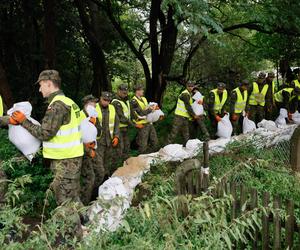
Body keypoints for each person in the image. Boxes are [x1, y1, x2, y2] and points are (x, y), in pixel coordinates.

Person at [10, 70, 84, 236]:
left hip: (65, 162)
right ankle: (87, 225)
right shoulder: (70, 102)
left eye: (41, 85)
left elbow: (45, 133)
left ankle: (76, 238)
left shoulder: (57, 105)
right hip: (73, 159)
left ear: (49, 83)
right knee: (73, 197)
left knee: (65, 201)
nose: (39, 89)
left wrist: (24, 121)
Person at [79, 95, 105, 205]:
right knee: (89, 178)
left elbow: (98, 132)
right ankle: (83, 205)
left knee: (100, 172)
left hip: (93, 149)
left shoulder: (93, 115)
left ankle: (93, 198)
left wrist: (94, 123)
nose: (95, 105)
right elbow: (76, 137)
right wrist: (88, 151)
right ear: (87, 104)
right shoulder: (79, 116)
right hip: (83, 152)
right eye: (93, 103)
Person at [95, 92, 120, 175]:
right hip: (98, 142)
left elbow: (116, 123)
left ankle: (105, 179)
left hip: (109, 141)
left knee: (107, 161)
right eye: (104, 100)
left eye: (108, 101)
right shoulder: (94, 107)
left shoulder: (112, 108)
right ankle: (97, 183)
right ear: (100, 98)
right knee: (98, 164)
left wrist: (116, 136)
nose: (106, 102)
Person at [130, 84, 158, 154]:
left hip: (148, 122)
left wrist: (154, 107)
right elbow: (140, 113)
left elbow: (146, 108)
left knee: (154, 140)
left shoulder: (144, 99)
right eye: (141, 89)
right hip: (141, 124)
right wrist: (151, 109)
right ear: (137, 91)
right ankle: (141, 159)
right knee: (143, 144)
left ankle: (154, 157)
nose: (143, 91)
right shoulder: (133, 101)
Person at [111, 84, 133, 160]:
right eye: (123, 91)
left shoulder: (125, 101)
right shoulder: (115, 102)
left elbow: (129, 113)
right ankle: (116, 166)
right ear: (118, 91)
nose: (125, 93)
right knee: (119, 148)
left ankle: (126, 164)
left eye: (126, 91)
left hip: (125, 128)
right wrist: (132, 124)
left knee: (127, 146)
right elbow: (120, 117)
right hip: (118, 129)